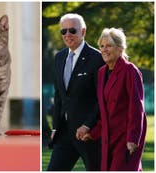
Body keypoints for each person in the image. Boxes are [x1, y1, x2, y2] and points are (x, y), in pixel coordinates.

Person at [79, 28, 147, 171]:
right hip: (107, 138)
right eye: (102, 46)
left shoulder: (130, 70)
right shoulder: (102, 72)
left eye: (109, 46)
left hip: (125, 137)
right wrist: (93, 132)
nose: (104, 50)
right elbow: (105, 110)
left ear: (120, 48)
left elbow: (137, 107)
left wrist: (133, 138)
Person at [47, 13, 104, 171]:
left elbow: (102, 98)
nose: (67, 35)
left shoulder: (97, 58)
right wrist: (55, 127)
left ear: (83, 32)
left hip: (88, 134)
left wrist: (88, 125)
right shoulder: (59, 57)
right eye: (63, 31)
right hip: (64, 133)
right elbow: (59, 95)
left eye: (72, 30)